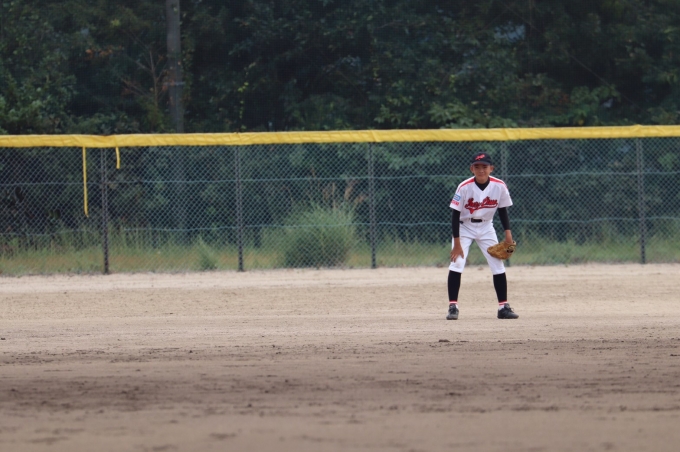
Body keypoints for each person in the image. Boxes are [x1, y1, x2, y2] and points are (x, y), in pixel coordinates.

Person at [446, 152, 519, 320]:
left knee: (497, 264)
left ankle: (503, 307)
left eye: (484, 166)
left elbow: (502, 210)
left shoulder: (499, 186)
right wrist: (457, 243)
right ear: (471, 169)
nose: (481, 170)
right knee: (457, 263)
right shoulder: (464, 187)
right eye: (477, 167)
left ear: (491, 168)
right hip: (465, 227)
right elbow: (455, 215)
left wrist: (508, 235)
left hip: (486, 227)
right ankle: (453, 307)